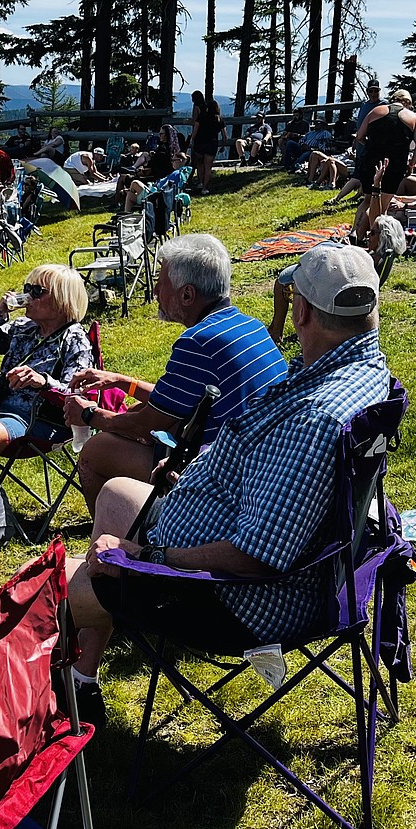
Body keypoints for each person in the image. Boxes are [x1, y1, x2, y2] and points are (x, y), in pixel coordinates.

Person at [62, 244, 392, 724]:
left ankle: (61, 683)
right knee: (116, 494)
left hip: (237, 598)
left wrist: (150, 559)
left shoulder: (318, 418)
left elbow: (255, 557)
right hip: (293, 559)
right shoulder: (356, 373)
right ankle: (82, 678)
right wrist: (194, 475)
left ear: (299, 310)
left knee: (48, 588)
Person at [62, 234, 288, 513]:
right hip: (267, 463)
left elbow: (145, 425)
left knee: (95, 452)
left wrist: (88, 414)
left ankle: (127, 539)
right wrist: (123, 382)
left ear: (187, 294)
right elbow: (173, 402)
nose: (156, 291)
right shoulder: (247, 325)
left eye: (161, 281)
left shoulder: (198, 342)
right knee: (134, 408)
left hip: (227, 478)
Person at [0, 264, 93, 462]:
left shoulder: (75, 340)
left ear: (62, 300)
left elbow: (76, 393)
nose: (28, 297)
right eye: (26, 289)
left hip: (35, 419)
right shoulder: (23, 328)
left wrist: (43, 381)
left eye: (37, 291)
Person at [266, 214, 405, 344]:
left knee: (283, 280)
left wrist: (344, 249)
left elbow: (349, 271)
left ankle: (276, 331)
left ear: (384, 237)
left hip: (332, 285)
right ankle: (275, 329)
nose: (368, 235)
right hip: (340, 284)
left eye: (373, 232)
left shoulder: (373, 259)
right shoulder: (382, 257)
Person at [352, 90, 416, 240]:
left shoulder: (376, 110)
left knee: (368, 199)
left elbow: (359, 136)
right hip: (395, 163)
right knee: (382, 205)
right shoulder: (412, 117)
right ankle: (375, 237)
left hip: (371, 161)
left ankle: (355, 232)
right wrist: (412, 164)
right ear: (409, 103)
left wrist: (369, 146)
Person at [190, 98, 226, 195]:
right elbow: (224, 135)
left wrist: (192, 140)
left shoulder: (201, 117)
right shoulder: (219, 119)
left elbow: (195, 130)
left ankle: (200, 182)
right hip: (212, 144)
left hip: (200, 143)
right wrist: (223, 145)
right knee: (208, 167)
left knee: (200, 165)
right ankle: (205, 188)